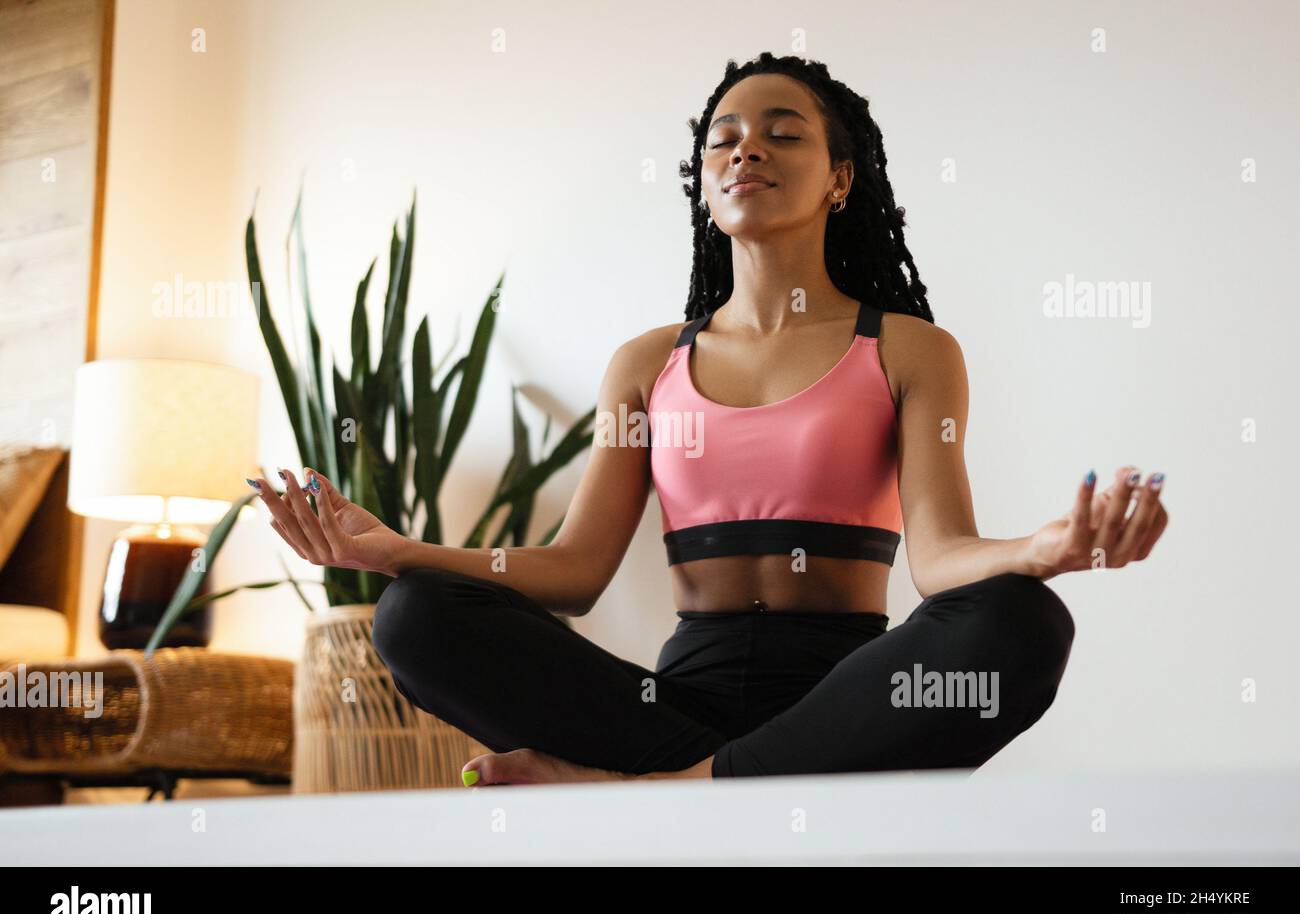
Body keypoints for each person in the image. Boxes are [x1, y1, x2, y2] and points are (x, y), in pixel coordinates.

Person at [247, 53, 1168, 785]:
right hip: (668, 706)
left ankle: (661, 794)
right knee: (414, 619)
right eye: (722, 139)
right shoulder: (648, 366)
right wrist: (392, 552)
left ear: (841, 179)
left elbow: (940, 561)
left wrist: (1043, 549)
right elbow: (571, 574)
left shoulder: (910, 349)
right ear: (702, 182)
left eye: (781, 133)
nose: (745, 150)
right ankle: (721, 778)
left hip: (847, 698)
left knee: (1022, 623)